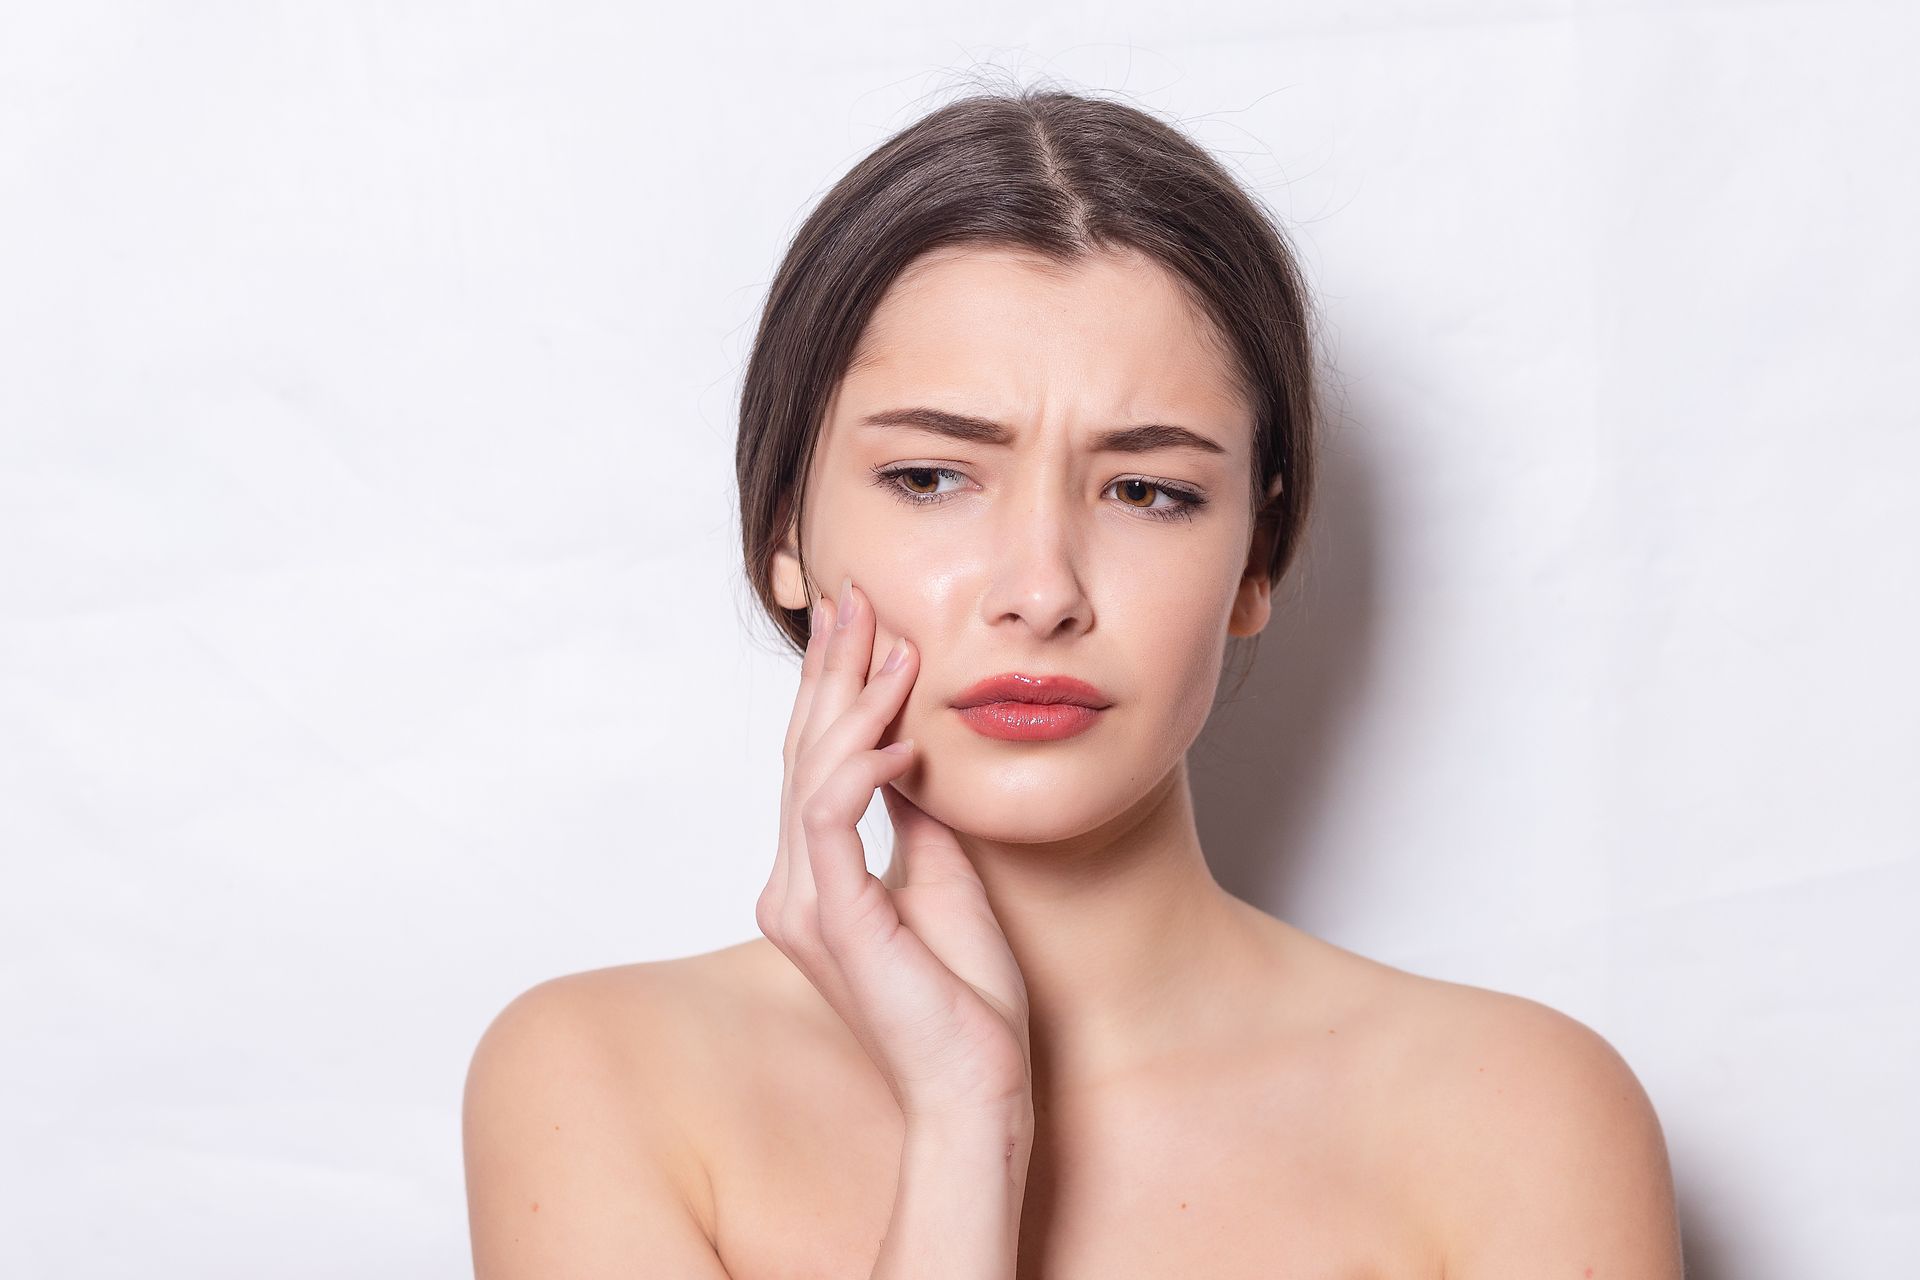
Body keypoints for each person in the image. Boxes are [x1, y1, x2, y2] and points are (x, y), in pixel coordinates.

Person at [461, 84, 1684, 1278]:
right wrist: (962, 1123)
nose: (1041, 589)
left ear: (1256, 559)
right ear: (785, 525)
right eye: (932, 477)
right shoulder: (600, 1081)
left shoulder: (1519, 1118)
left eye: (1147, 490)